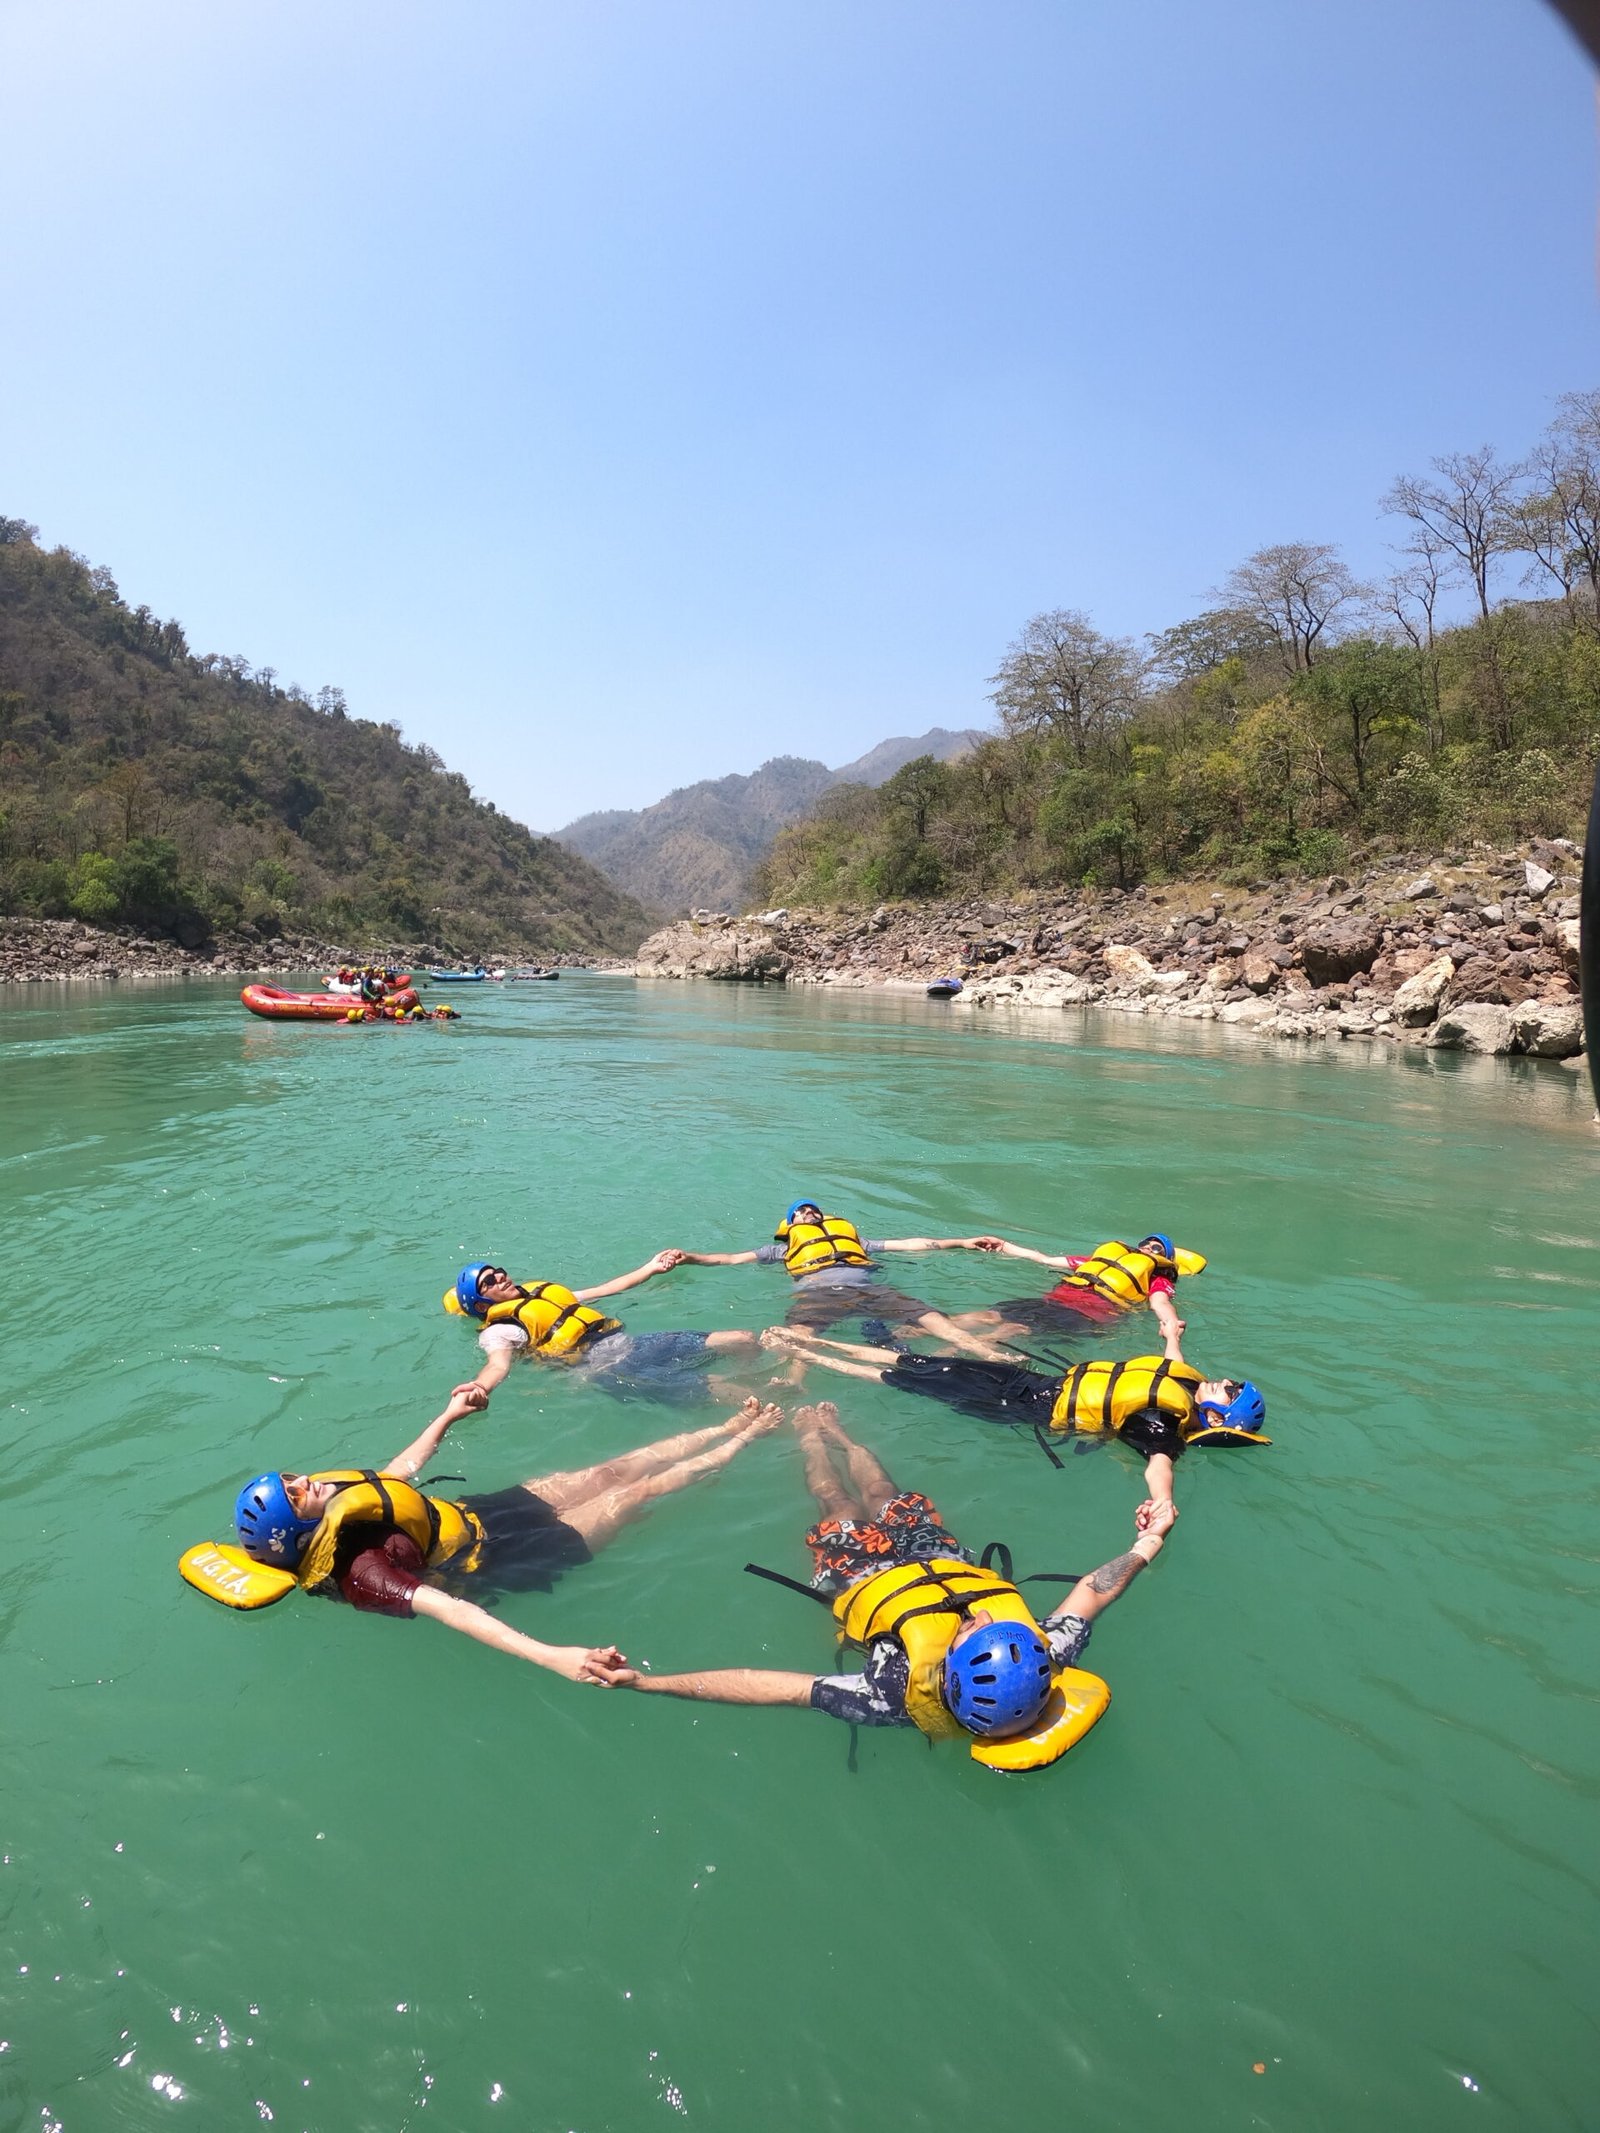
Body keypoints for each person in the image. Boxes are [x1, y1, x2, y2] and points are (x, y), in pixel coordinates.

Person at [588, 1401, 1174, 1762]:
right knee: (884, 1495)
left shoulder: (890, 1697)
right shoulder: (1045, 1652)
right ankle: (838, 1433)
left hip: (863, 1577)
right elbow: (1095, 1591)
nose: (988, 1614)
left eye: (974, 1628)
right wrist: (1149, 1540)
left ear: (951, 1672)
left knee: (836, 1502)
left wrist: (647, 1682)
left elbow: (768, 1684)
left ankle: (810, 1441)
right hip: (939, 1560)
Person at [231, 1385, 782, 1678]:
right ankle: (742, 1445)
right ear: (297, 1527)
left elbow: (394, 1475)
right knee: (636, 1495)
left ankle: (727, 1425)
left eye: (292, 1477)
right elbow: (452, 1610)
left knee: (607, 1473)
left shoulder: (335, 1497)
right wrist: (552, 1656)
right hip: (498, 1559)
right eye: (295, 1491)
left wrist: (448, 1415)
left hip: (479, 1512)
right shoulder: (364, 1575)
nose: (305, 1480)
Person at [763, 1323, 1267, 1524]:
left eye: (1231, 1389)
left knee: (914, 1382)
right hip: (1035, 1382)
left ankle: (810, 1355)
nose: (1224, 1380)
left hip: (1024, 1410)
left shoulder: (1161, 1423)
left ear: (1221, 1414)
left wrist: (1163, 1504)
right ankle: (815, 1344)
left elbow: (1160, 1464)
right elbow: (1170, 1356)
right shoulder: (1185, 1382)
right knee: (918, 1362)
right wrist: (1169, 1327)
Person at [673, 1200, 1018, 1359]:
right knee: (798, 1336)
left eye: (813, 1210)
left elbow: (911, 1243)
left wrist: (962, 1241)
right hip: (819, 1294)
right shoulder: (780, 1251)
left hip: (869, 1290)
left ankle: (984, 1352)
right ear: (790, 1225)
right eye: (801, 1211)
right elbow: (731, 1258)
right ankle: (793, 1382)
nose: (810, 1213)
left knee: (929, 1315)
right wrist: (690, 1257)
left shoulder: (858, 1244)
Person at [448, 1253, 768, 1409]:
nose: (499, 1277)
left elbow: (607, 1288)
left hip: (634, 1345)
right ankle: (780, 1411)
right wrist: (480, 1387)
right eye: (487, 1282)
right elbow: (498, 1364)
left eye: (496, 1271)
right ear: (480, 1304)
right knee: (724, 1388)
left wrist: (650, 1268)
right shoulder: (500, 1329)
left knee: (742, 1340)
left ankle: (760, 1379)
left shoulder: (544, 1294)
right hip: (607, 1370)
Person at [951, 1231, 1201, 1347]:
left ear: (1163, 1259)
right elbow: (1044, 1259)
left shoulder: (1157, 1278)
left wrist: (1171, 1323)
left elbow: (1160, 1303)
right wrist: (1003, 1245)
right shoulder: (1095, 1262)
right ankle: (916, 1330)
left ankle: (952, 1349)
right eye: (1145, 1244)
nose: (1147, 1249)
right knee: (988, 1315)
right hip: (1052, 1302)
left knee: (1014, 1327)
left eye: (1156, 1249)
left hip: (1086, 1315)